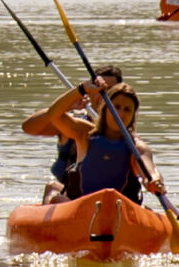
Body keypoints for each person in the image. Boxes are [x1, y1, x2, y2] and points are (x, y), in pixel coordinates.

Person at [23, 66, 127, 204]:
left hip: (112, 199)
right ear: (90, 92)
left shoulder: (126, 134)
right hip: (71, 198)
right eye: (100, 90)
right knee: (53, 188)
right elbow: (29, 127)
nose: (104, 96)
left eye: (111, 91)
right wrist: (67, 105)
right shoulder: (73, 125)